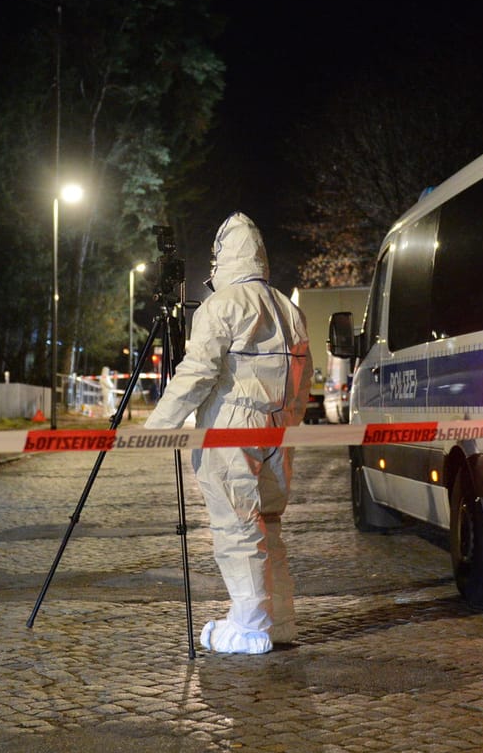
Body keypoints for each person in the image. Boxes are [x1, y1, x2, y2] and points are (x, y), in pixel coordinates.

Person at [143, 212, 312, 655]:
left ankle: (250, 625)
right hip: (278, 429)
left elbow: (198, 373)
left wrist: (159, 426)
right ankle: (279, 622)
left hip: (231, 428)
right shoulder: (287, 308)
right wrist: (289, 420)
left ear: (222, 257)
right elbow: (303, 375)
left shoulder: (224, 305)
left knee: (238, 525)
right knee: (267, 524)